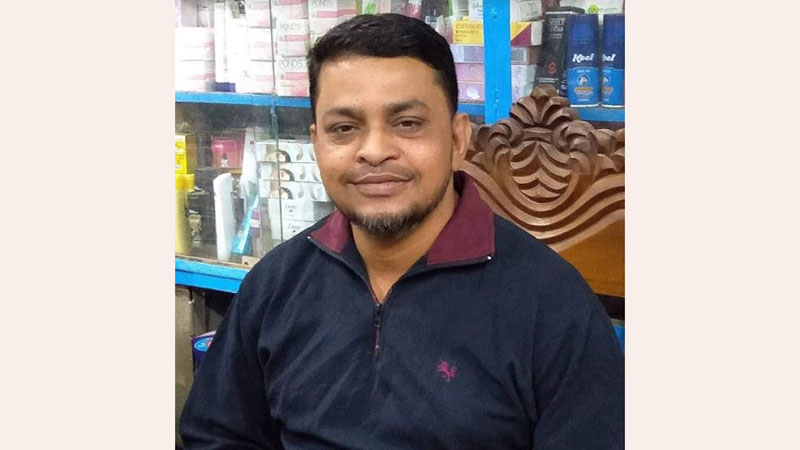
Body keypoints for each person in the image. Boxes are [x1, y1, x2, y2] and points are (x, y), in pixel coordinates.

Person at [180, 13, 624, 449]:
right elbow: (217, 434)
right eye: (344, 129)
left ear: (458, 140)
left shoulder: (552, 306)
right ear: (316, 144)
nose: (374, 151)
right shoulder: (276, 284)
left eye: (407, 123)